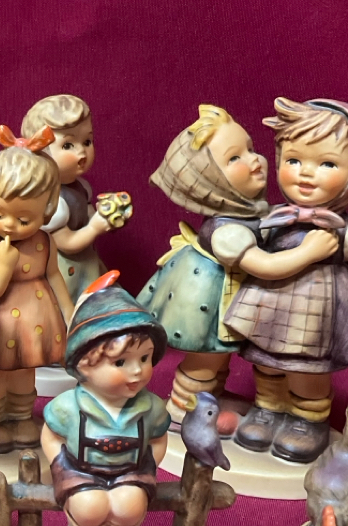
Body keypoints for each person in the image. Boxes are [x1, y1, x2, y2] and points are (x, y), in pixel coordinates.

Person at [225, 98, 348, 461]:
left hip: (318, 309)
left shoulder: (339, 226)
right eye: (293, 160)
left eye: (327, 164)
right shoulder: (275, 214)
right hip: (269, 303)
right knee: (265, 362)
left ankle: (308, 419)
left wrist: (337, 243)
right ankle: (268, 408)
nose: (305, 173)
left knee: (308, 369)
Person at [137, 105, 269, 419]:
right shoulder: (226, 231)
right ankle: (184, 410)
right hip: (208, 296)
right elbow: (263, 264)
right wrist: (309, 252)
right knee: (205, 359)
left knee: (219, 357)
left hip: (228, 295)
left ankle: (212, 399)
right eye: (234, 158)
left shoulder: (250, 213)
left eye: (251, 149)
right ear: (208, 182)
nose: (254, 160)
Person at [41, 275, 171, 526]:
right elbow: (51, 435)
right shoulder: (69, 406)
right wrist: (58, 461)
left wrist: (149, 463)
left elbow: (158, 438)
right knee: (89, 507)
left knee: (130, 505)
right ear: (84, 366)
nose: (137, 370)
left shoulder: (151, 407)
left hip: (130, 472)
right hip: (80, 471)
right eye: (121, 362)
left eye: (145, 358)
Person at [0, 125, 73, 452]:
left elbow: (55, 275)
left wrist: (70, 313)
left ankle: (20, 416)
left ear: (47, 210)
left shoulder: (45, 241)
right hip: (1, 323)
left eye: (24, 219)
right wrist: (3, 266)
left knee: (25, 371)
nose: (9, 224)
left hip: (38, 319)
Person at [21, 94, 121, 301]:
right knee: (74, 302)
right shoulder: (51, 201)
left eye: (87, 141)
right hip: (62, 269)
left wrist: (105, 215)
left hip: (86, 260)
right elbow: (66, 243)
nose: (82, 152)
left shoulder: (82, 187)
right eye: (68, 145)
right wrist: (95, 228)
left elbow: (87, 214)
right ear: (40, 151)